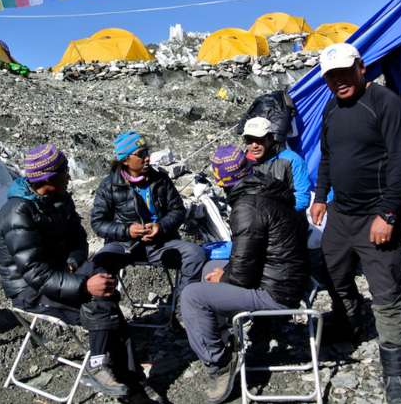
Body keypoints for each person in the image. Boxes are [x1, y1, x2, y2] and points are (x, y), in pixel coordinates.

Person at [0, 144, 162, 403]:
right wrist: (84, 286)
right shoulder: (17, 213)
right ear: (48, 178)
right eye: (64, 171)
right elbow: (34, 273)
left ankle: (122, 374)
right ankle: (118, 372)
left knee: (103, 288)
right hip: (29, 290)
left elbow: (79, 241)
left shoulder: (61, 200)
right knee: (102, 302)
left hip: (61, 273)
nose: (69, 176)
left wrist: (72, 267)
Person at [309, 43, 401, 404]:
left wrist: (388, 214)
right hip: (341, 212)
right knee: (333, 272)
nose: (338, 81)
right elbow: (328, 155)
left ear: (362, 67)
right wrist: (322, 196)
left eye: (344, 72)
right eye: (331, 76)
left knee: (385, 291)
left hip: (378, 212)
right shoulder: (331, 106)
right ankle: (350, 324)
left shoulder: (386, 103)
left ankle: (397, 372)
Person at [180, 145, 310, 404]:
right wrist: (224, 274)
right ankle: (225, 335)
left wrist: (225, 277)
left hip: (276, 292)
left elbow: (242, 272)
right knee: (208, 269)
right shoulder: (264, 189)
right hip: (286, 278)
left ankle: (218, 364)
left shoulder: (247, 205)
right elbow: (249, 256)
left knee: (191, 296)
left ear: (221, 179)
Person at [91, 131, 206, 325]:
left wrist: (160, 227)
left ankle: (183, 311)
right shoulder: (109, 186)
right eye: (141, 153)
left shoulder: (160, 179)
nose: (147, 158)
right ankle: (108, 320)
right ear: (125, 160)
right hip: (124, 245)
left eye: (147, 152)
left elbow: (177, 210)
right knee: (99, 265)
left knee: (195, 254)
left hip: (161, 243)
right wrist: (127, 230)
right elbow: (98, 223)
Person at [241, 116, 311, 212]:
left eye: (259, 139)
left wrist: (272, 215)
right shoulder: (242, 162)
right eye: (249, 140)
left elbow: (302, 198)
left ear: (271, 137)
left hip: (285, 220)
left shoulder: (291, 159)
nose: (254, 146)